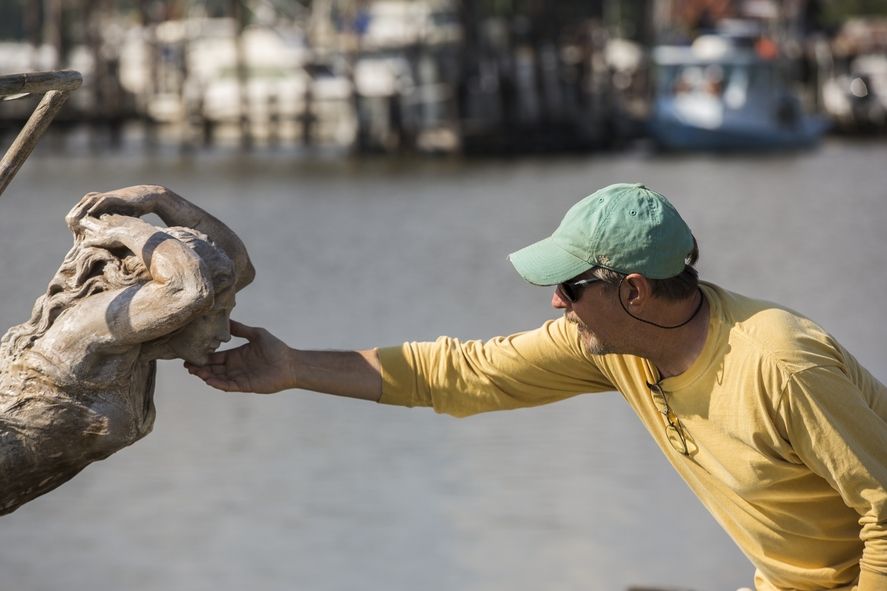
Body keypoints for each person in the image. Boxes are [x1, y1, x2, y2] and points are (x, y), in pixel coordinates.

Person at [186, 182, 886, 591]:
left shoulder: (780, 365)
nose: (555, 302)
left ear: (633, 290)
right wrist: (293, 368)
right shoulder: (613, 347)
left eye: (569, 286)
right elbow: (460, 372)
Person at [0, 185, 255, 515]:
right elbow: (187, 290)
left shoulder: (136, 346)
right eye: (213, 315)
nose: (225, 333)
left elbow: (237, 266)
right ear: (148, 292)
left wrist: (159, 197)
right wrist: (123, 229)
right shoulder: (87, 328)